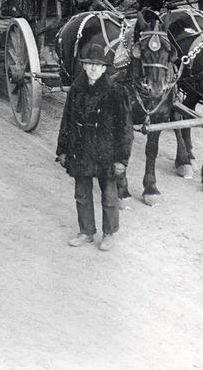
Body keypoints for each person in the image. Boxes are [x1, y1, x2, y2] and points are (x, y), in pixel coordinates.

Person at [56, 34, 132, 251]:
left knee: (109, 196)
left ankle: (109, 233)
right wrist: (62, 150)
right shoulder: (76, 90)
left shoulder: (117, 92)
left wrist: (122, 159)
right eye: (89, 65)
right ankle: (86, 231)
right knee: (81, 194)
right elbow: (66, 121)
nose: (92, 69)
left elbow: (125, 130)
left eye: (97, 66)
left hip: (106, 153)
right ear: (84, 66)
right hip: (80, 150)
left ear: (104, 68)